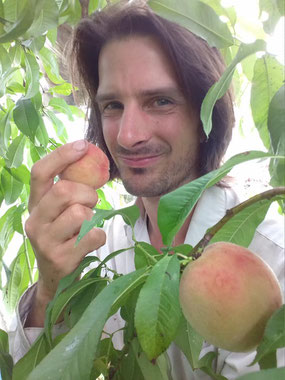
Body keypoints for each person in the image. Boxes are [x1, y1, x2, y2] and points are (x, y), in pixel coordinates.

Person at [8, 1, 284, 379]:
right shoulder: (105, 246)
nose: (128, 135)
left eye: (161, 101)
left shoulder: (271, 259)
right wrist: (51, 288)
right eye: (113, 105)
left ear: (207, 111)